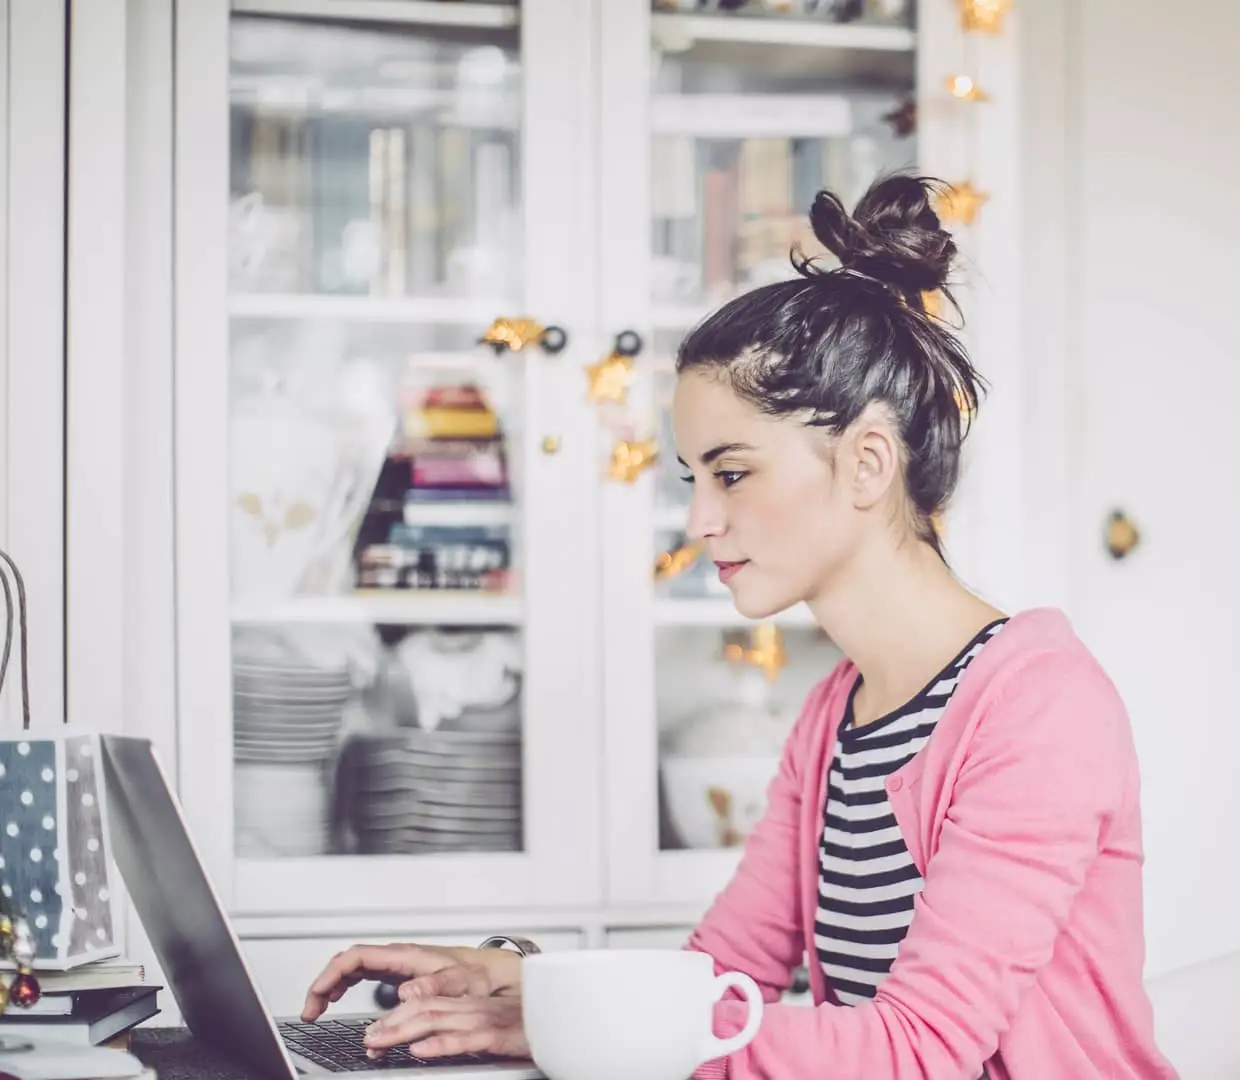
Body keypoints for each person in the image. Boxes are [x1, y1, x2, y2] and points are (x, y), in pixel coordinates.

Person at [302, 174, 1176, 1079]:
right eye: (693, 479)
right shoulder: (837, 712)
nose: (699, 524)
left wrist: (579, 1030)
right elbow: (720, 978)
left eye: (731, 472)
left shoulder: (1039, 707)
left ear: (868, 462)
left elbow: (917, 1052)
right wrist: (526, 983)